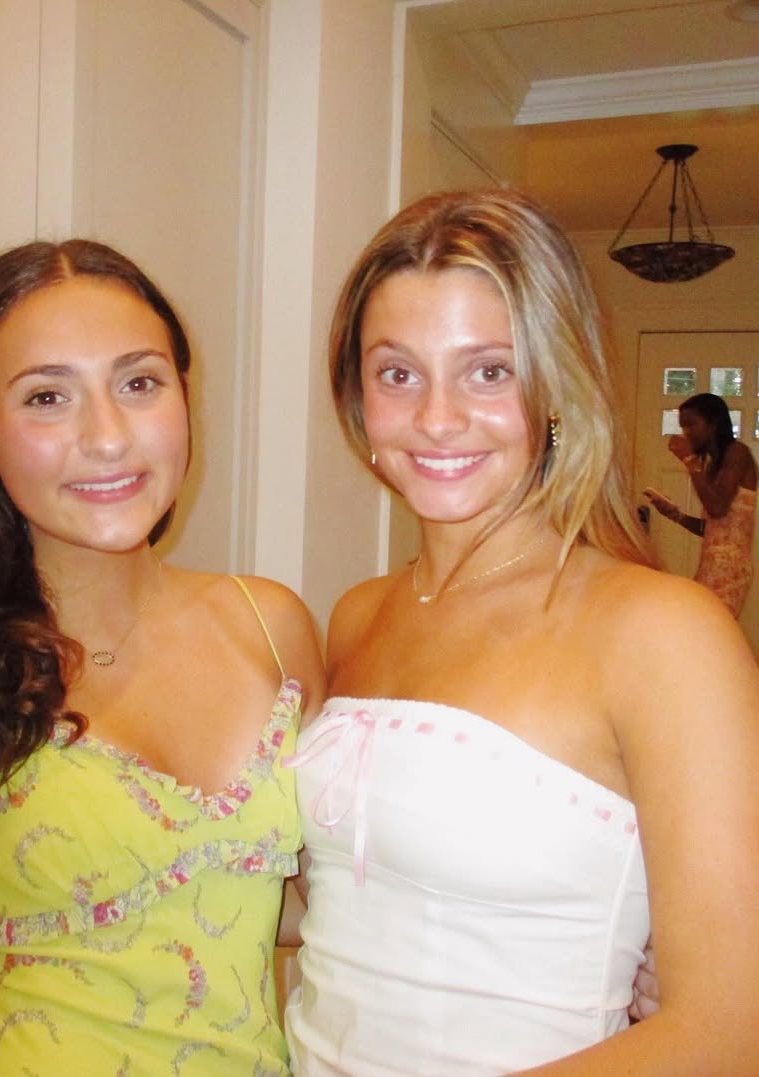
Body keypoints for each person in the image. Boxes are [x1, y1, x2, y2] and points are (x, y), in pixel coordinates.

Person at [0, 239, 325, 1075]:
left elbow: (318, 905)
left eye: (139, 383)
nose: (108, 436)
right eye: (48, 397)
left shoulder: (271, 628)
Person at [283, 189, 759, 1074]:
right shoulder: (358, 613)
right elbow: (351, 900)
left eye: (489, 371)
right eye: (398, 373)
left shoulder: (664, 634)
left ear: (556, 386)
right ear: (357, 395)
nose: (437, 417)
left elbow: (732, 1030)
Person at [644, 391, 757, 616]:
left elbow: (717, 508)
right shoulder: (711, 465)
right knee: (697, 622)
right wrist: (676, 516)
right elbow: (715, 528)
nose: (685, 433)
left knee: (708, 625)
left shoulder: (738, 452)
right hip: (711, 565)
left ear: (713, 423)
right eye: (682, 427)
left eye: (691, 425)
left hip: (730, 569)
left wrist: (690, 461)